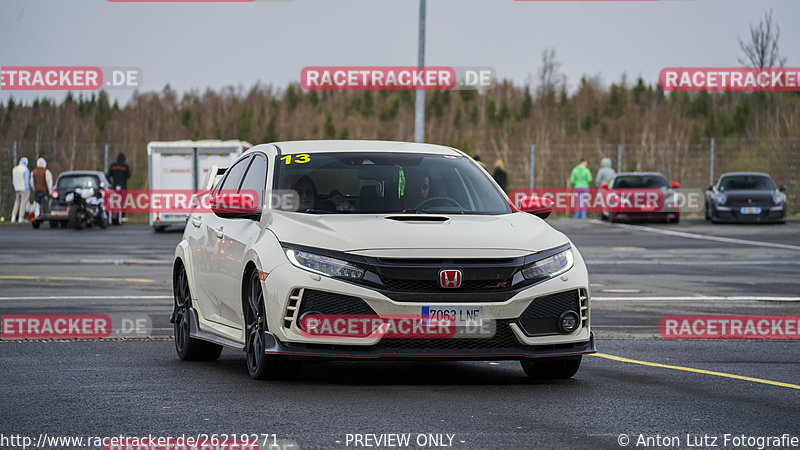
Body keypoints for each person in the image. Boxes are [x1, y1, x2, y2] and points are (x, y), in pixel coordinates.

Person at [11, 157, 31, 223]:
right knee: (23, 203)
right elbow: (26, 181)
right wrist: (28, 188)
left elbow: (13, 181)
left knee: (17, 202)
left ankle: (13, 216)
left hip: (17, 188)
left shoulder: (14, 169)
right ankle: (21, 217)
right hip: (24, 189)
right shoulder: (25, 169)